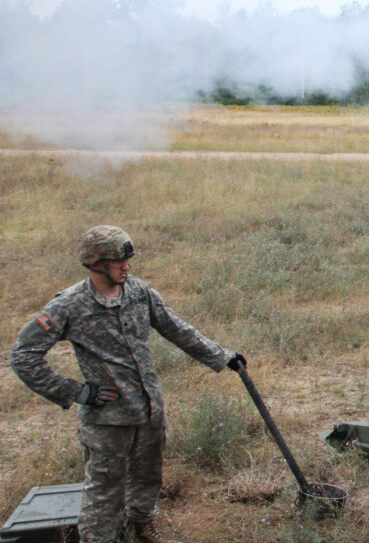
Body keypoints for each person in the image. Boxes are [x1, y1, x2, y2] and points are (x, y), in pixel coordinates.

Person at [11, 226, 246, 543]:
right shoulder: (69, 305)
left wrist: (223, 356)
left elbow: (178, 330)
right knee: (104, 494)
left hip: (149, 411)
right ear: (97, 263)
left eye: (127, 261)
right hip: (108, 421)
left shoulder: (139, 292)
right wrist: (76, 392)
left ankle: (142, 524)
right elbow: (24, 356)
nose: (127, 267)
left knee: (148, 477)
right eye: (119, 262)